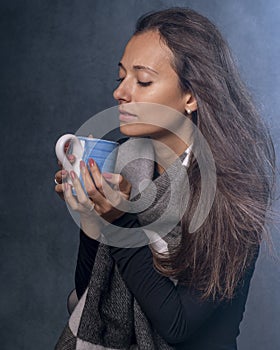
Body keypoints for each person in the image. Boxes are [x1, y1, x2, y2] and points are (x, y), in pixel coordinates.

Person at [54, 7, 275, 350]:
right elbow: (92, 296)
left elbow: (179, 325)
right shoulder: (123, 160)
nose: (121, 93)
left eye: (142, 81)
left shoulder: (235, 189)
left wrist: (119, 220)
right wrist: (91, 219)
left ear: (191, 96)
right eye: (121, 77)